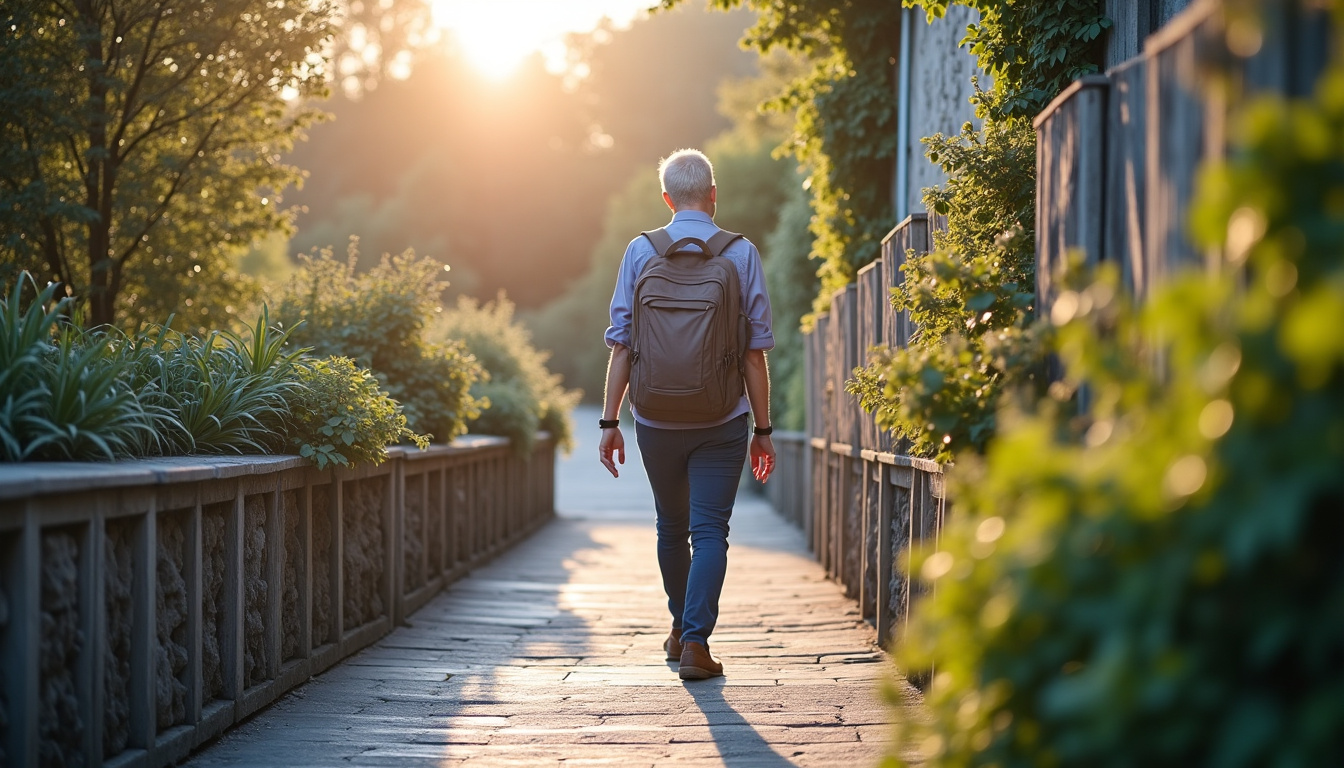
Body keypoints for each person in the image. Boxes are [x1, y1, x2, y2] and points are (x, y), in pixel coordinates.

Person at [597, 148, 775, 680]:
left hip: (654, 420)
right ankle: (695, 641)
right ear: (714, 195)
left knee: (671, 527)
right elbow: (754, 353)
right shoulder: (741, 254)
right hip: (722, 420)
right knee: (710, 531)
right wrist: (762, 431)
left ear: (667, 198)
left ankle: (680, 628)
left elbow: (622, 345)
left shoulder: (639, 250)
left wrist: (610, 423)